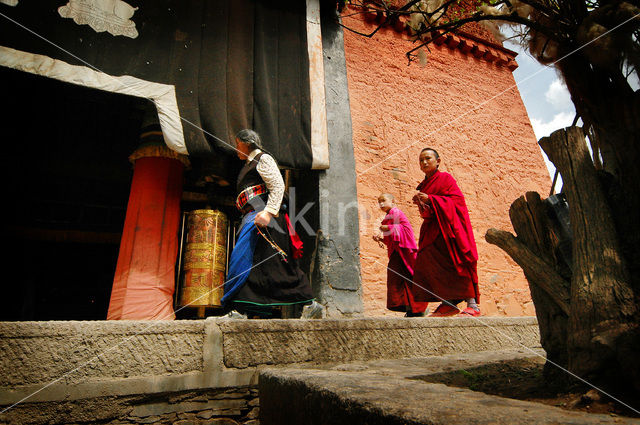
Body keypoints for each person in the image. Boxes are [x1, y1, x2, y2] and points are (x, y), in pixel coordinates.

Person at [221, 129, 321, 319]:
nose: (236, 148)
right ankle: (243, 310)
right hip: (253, 218)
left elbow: (277, 186)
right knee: (256, 266)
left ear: (247, 143)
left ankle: (310, 305)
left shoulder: (263, 159)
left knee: (277, 265)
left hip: (267, 219)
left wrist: (268, 212)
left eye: (237, 143)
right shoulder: (248, 164)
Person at [411, 148, 481, 317]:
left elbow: (457, 202)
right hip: (433, 230)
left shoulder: (445, 178)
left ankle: (473, 304)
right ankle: (448, 302)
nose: (424, 162)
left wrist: (431, 199)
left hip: (450, 228)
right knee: (428, 262)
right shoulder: (424, 185)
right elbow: (427, 213)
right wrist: (423, 203)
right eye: (421, 160)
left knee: (457, 260)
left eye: (428, 158)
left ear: (438, 161)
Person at [373, 193, 429, 317]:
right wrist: (381, 239)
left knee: (410, 277)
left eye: (383, 200)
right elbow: (392, 239)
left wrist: (387, 227)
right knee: (397, 279)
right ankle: (410, 308)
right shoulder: (388, 216)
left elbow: (404, 229)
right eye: (379, 202)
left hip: (405, 250)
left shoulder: (396, 212)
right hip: (397, 252)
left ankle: (420, 308)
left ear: (393, 201)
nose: (381, 204)